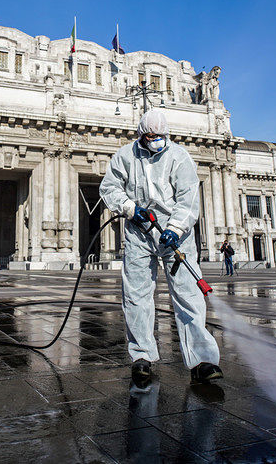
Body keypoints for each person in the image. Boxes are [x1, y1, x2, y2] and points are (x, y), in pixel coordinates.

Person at [100, 109, 222, 384]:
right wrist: (131, 208)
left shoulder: (180, 157)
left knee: (188, 295)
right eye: (150, 136)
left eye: (160, 136)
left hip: (175, 234)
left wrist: (176, 228)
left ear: (167, 135)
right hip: (139, 232)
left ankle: (203, 360)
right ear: (141, 135)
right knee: (137, 295)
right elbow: (109, 189)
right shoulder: (125, 156)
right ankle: (142, 355)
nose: (155, 141)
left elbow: (189, 198)